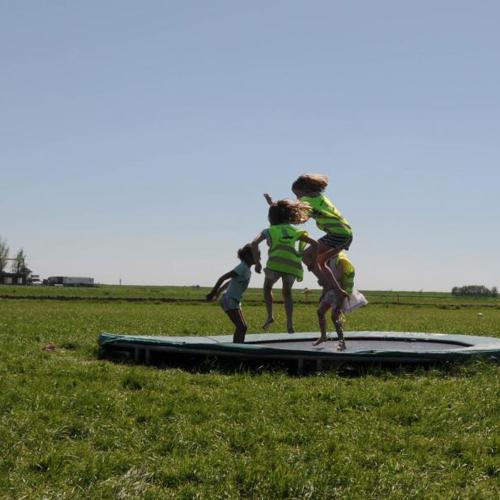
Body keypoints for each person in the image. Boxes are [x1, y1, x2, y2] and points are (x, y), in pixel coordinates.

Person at [251, 199, 317, 333]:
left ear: (271, 217)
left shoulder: (269, 231)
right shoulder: (295, 231)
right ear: (289, 216)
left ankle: (270, 316)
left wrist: (257, 262)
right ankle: (290, 323)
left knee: (267, 288)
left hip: (275, 264)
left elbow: (254, 243)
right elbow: (315, 244)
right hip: (291, 266)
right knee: (287, 293)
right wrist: (312, 262)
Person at [290, 174, 353, 304]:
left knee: (306, 256)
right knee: (321, 261)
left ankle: (326, 284)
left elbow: (301, 219)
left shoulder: (306, 200)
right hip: (346, 233)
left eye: (297, 194)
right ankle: (338, 290)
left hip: (337, 234)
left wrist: (286, 217)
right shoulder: (321, 197)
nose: (297, 198)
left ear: (304, 190)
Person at [312, 251, 367, 349]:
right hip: (330, 292)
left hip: (339, 292)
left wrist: (324, 279)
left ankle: (342, 342)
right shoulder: (327, 260)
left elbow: (338, 277)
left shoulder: (340, 260)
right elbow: (327, 280)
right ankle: (323, 336)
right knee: (320, 312)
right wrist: (323, 294)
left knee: (334, 316)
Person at [206, 244, 256, 343]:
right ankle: (237, 349)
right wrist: (213, 293)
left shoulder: (246, 269)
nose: (258, 257)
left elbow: (231, 281)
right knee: (241, 327)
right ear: (247, 256)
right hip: (230, 299)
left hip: (235, 300)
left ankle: (239, 347)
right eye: (255, 255)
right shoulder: (242, 267)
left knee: (243, 327)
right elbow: (223, 278)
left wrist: (219, 291)